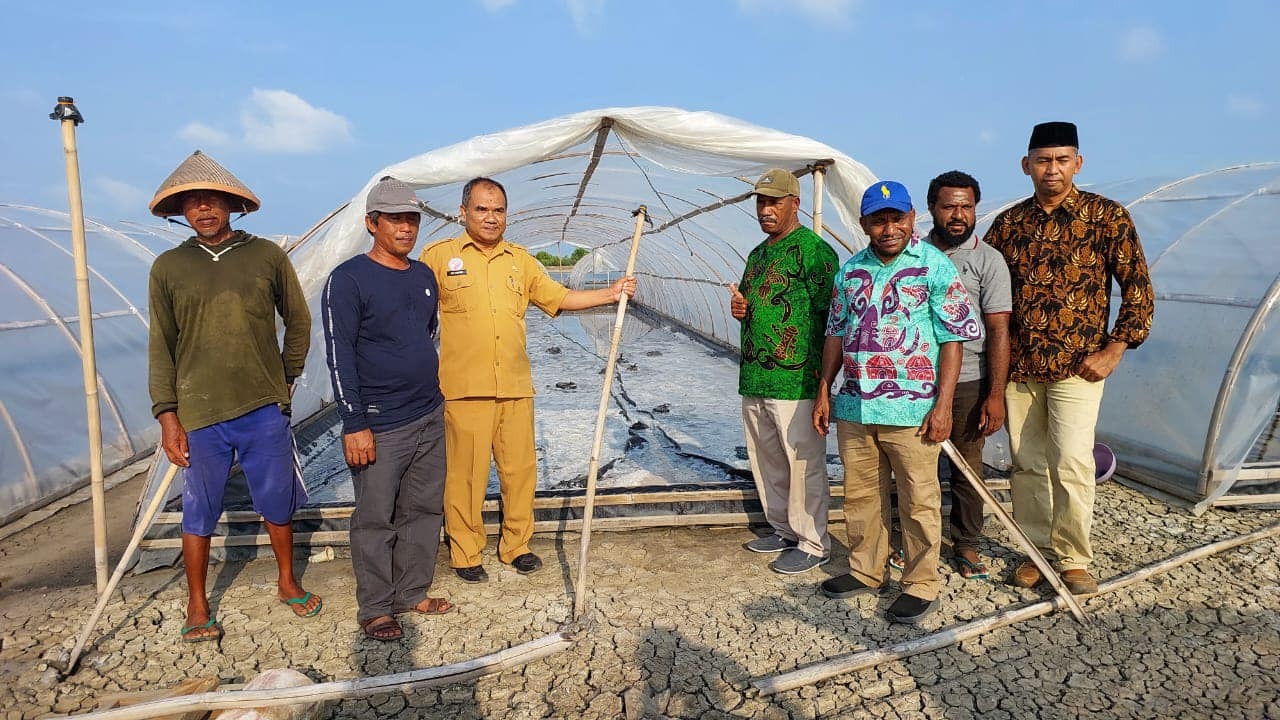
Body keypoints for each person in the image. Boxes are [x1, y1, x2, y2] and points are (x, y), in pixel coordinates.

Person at [419, 177, 637, 582]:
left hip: (516, 386)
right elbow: (413, 311)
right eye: (482, 209)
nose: (491, 217)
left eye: (498, 210)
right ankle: (465, 551)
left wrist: (610, 293)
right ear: (463, 212)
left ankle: (516, 546)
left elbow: (559, 297)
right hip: (464, 390)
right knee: (464, 476)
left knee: (519, 472)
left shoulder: (520, 261)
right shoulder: (439, 257)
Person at [147, 151, 320, 643]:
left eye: (212, 200)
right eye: (193, 202)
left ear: (231, 205)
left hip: (262, 406)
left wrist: (286, 375)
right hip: (200, 410)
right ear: (182, 211)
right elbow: (161, 343)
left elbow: (298, 319)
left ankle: (287, 581)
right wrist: (167, 416)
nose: (203, 209)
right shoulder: (169, 267)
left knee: (276, 499)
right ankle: (197, 603)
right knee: (199, 507)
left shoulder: (265, 256)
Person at [984, 122, 1153, 595]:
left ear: (1078, 163)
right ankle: (1035, 551)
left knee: (1073, 462)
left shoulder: (1106, 216)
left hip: (1079, 367)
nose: (1052, 169)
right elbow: (984, 289)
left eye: (1061, 160)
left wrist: (1114, 349)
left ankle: (1074, 558)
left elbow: (1138, 289)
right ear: (1026, 166)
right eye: (1043, 160)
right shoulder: (1009, 225)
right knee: (1027, 464)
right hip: (1020, 368)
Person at [813, 181, 981, 624]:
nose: (889, 229)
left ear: (911, 219)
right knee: (861, 495)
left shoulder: (934, 266)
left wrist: (943, 405)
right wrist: (824, 389)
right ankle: (866, 571)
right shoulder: (850, 271)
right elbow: (835, 333)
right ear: (864, 223)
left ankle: (921, 584)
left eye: (896, 219)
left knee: (918, 499)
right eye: (878, 221)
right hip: (856, 406)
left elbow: (952, 339)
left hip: (913, 410)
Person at [322, 177, 453, 642]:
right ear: (371, 223)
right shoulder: (349, 280)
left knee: (423, 508)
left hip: (428, 413)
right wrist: (354, 422)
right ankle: (376, 607)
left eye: (411, 219)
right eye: (395, 219)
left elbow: (427, 334)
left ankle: (412, 592)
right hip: (380, 422)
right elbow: (339, 354)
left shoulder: (422, 276)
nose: (405, 228)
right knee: (375, 516)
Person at [730, 169, 836, 574]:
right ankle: (783, 529)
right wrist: (740, 308)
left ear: (795, 204)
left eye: (774, 202)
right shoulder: (758, 255)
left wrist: (824, 383)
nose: (766, 210)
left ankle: (813, 542)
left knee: (802, 462)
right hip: (756, 376)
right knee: (768, 460)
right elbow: (750, 303)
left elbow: (833, 318)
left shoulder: (814, 251)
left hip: (797, 379)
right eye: (761, 202)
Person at [922, 171, 1012, 580]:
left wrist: (995, 394)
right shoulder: (914, 255)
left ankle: (966, 543)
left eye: (966, 207)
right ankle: (916, 541)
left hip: (969, 379)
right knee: (916, 466)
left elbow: (998, 330)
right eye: (949, 207)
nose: (958, 215)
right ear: (932, 209)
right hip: (917, 379)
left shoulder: (987, 260)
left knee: (967, 466)